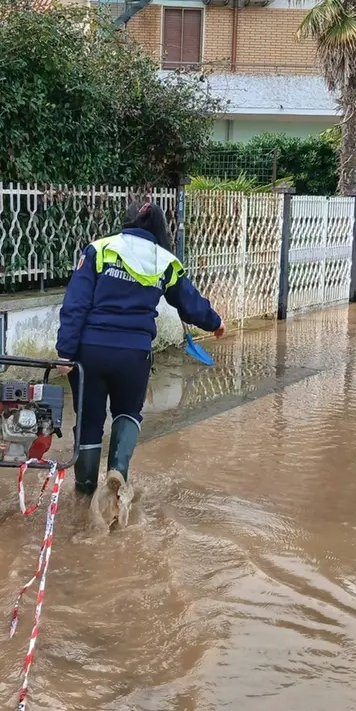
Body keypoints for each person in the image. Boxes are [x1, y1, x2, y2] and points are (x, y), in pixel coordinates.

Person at [56, 201, 224, 524]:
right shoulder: (165, 261)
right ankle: (118, 471)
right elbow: (190, 303)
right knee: (128, 414)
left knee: (89, 421)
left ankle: (84, 493)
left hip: (90, 352)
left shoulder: (99, 250)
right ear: (160, 229)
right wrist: (215, 322)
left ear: (128, 220)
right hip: (134, 354)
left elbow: (75, 303)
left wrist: (65, 352)